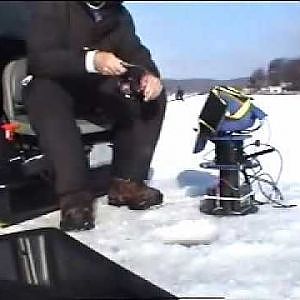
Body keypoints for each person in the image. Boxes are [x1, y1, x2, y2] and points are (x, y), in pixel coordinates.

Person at [24, 1, 167, 231]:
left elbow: (136, 52)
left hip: (96, 89)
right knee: (46, 96)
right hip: (53, 83)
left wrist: (148, 74)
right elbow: (41, 59)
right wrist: (92, 60)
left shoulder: (118, 14)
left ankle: (127, 182)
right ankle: (75, 198)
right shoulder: (53, 7)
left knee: (150, 96)